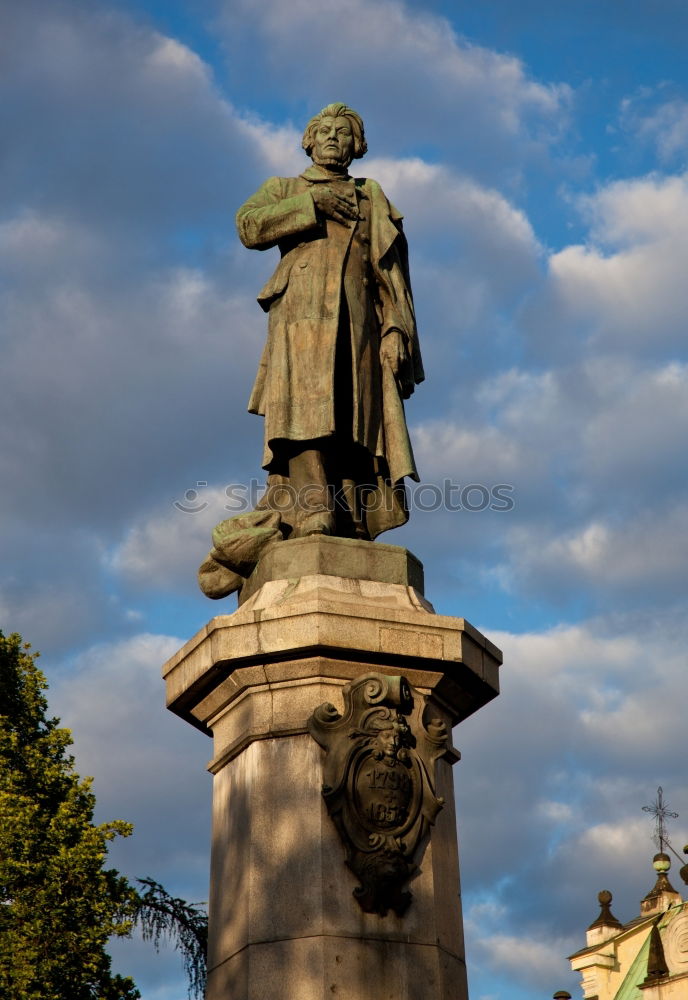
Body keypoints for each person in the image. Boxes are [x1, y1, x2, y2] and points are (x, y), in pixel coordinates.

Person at [236, 103, 423, 540]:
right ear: (309, 142)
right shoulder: (284, 188)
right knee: (303, 414)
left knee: (355, 419)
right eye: (324, 132)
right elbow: (249, 227)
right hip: (299, 318)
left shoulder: (370, 195)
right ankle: (314, 509)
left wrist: (396, 328)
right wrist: (311, 203)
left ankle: (349, 513)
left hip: (359, 323)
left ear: (357, 145)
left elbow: (391, 277)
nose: (333, 138)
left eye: (343, 132)